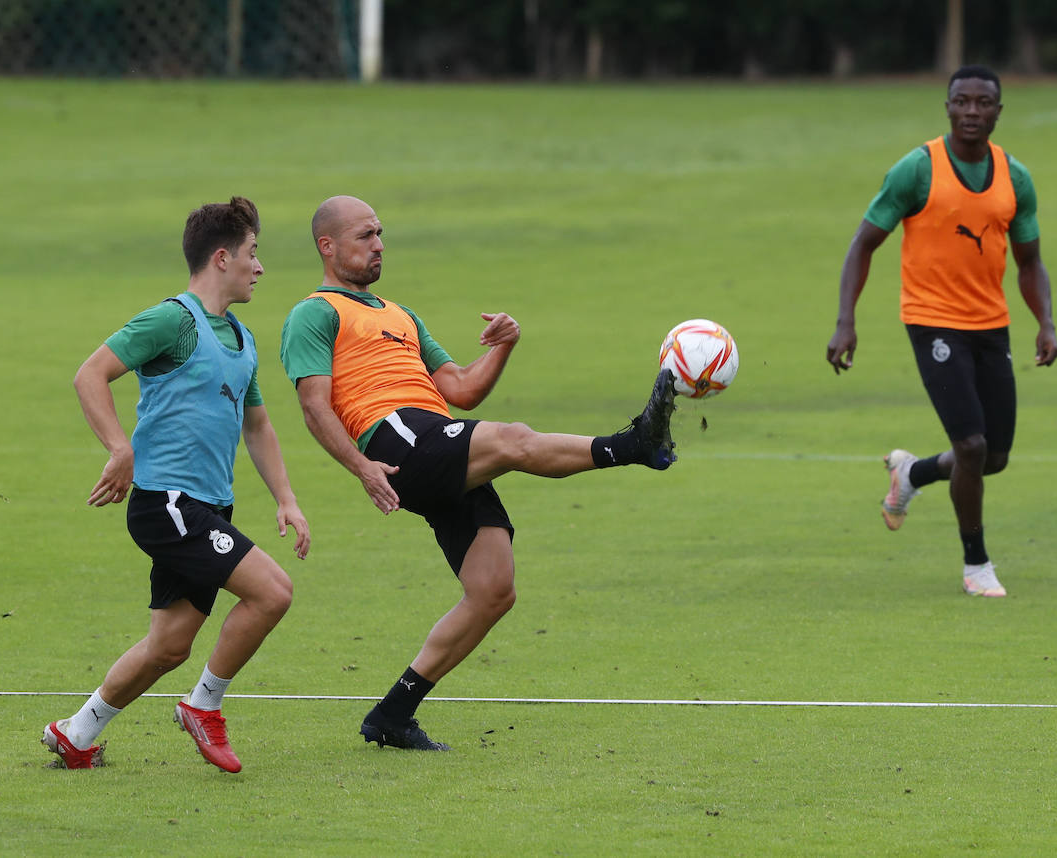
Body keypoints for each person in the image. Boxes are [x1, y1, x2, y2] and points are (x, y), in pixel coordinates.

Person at [280, 195, 676, 751]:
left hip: (434, 436)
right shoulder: (313, 314)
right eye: (365, 236)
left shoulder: (401, 315)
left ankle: (393, 715)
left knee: (493, 590)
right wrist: (361, 468)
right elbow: (314, 407)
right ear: (328, 246)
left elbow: (461, 388)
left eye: (380, 234)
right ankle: (633, 445)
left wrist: (505, 346)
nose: (378, 245)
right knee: (513, 438)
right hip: (397, 438)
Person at [42, 196, 310, 772]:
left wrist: (286, 499)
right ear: (221, 258)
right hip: (168, 505)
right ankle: (203, 705)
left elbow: (257, 424)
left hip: (210, 507)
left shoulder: (241, 336)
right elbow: (90, 374)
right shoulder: (172, 320)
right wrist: (120, 448)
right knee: (272, 592)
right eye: (252, 253)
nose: (260, 267)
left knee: (168, 646)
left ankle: (77, 732)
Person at [825, 65, 1057, 598]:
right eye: (962, 102)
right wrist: (846, 321)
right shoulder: (918, 169)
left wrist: (1045, 322)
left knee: (993, 457)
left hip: (990, 325)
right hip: (931, 320)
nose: (972, 112)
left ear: (999, 111)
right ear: (948, 107)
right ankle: (976, 564)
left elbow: (1030, 262)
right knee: (972, 445)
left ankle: (912, 474)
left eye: (983, 103)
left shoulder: (1014, 178)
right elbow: (863, 243)